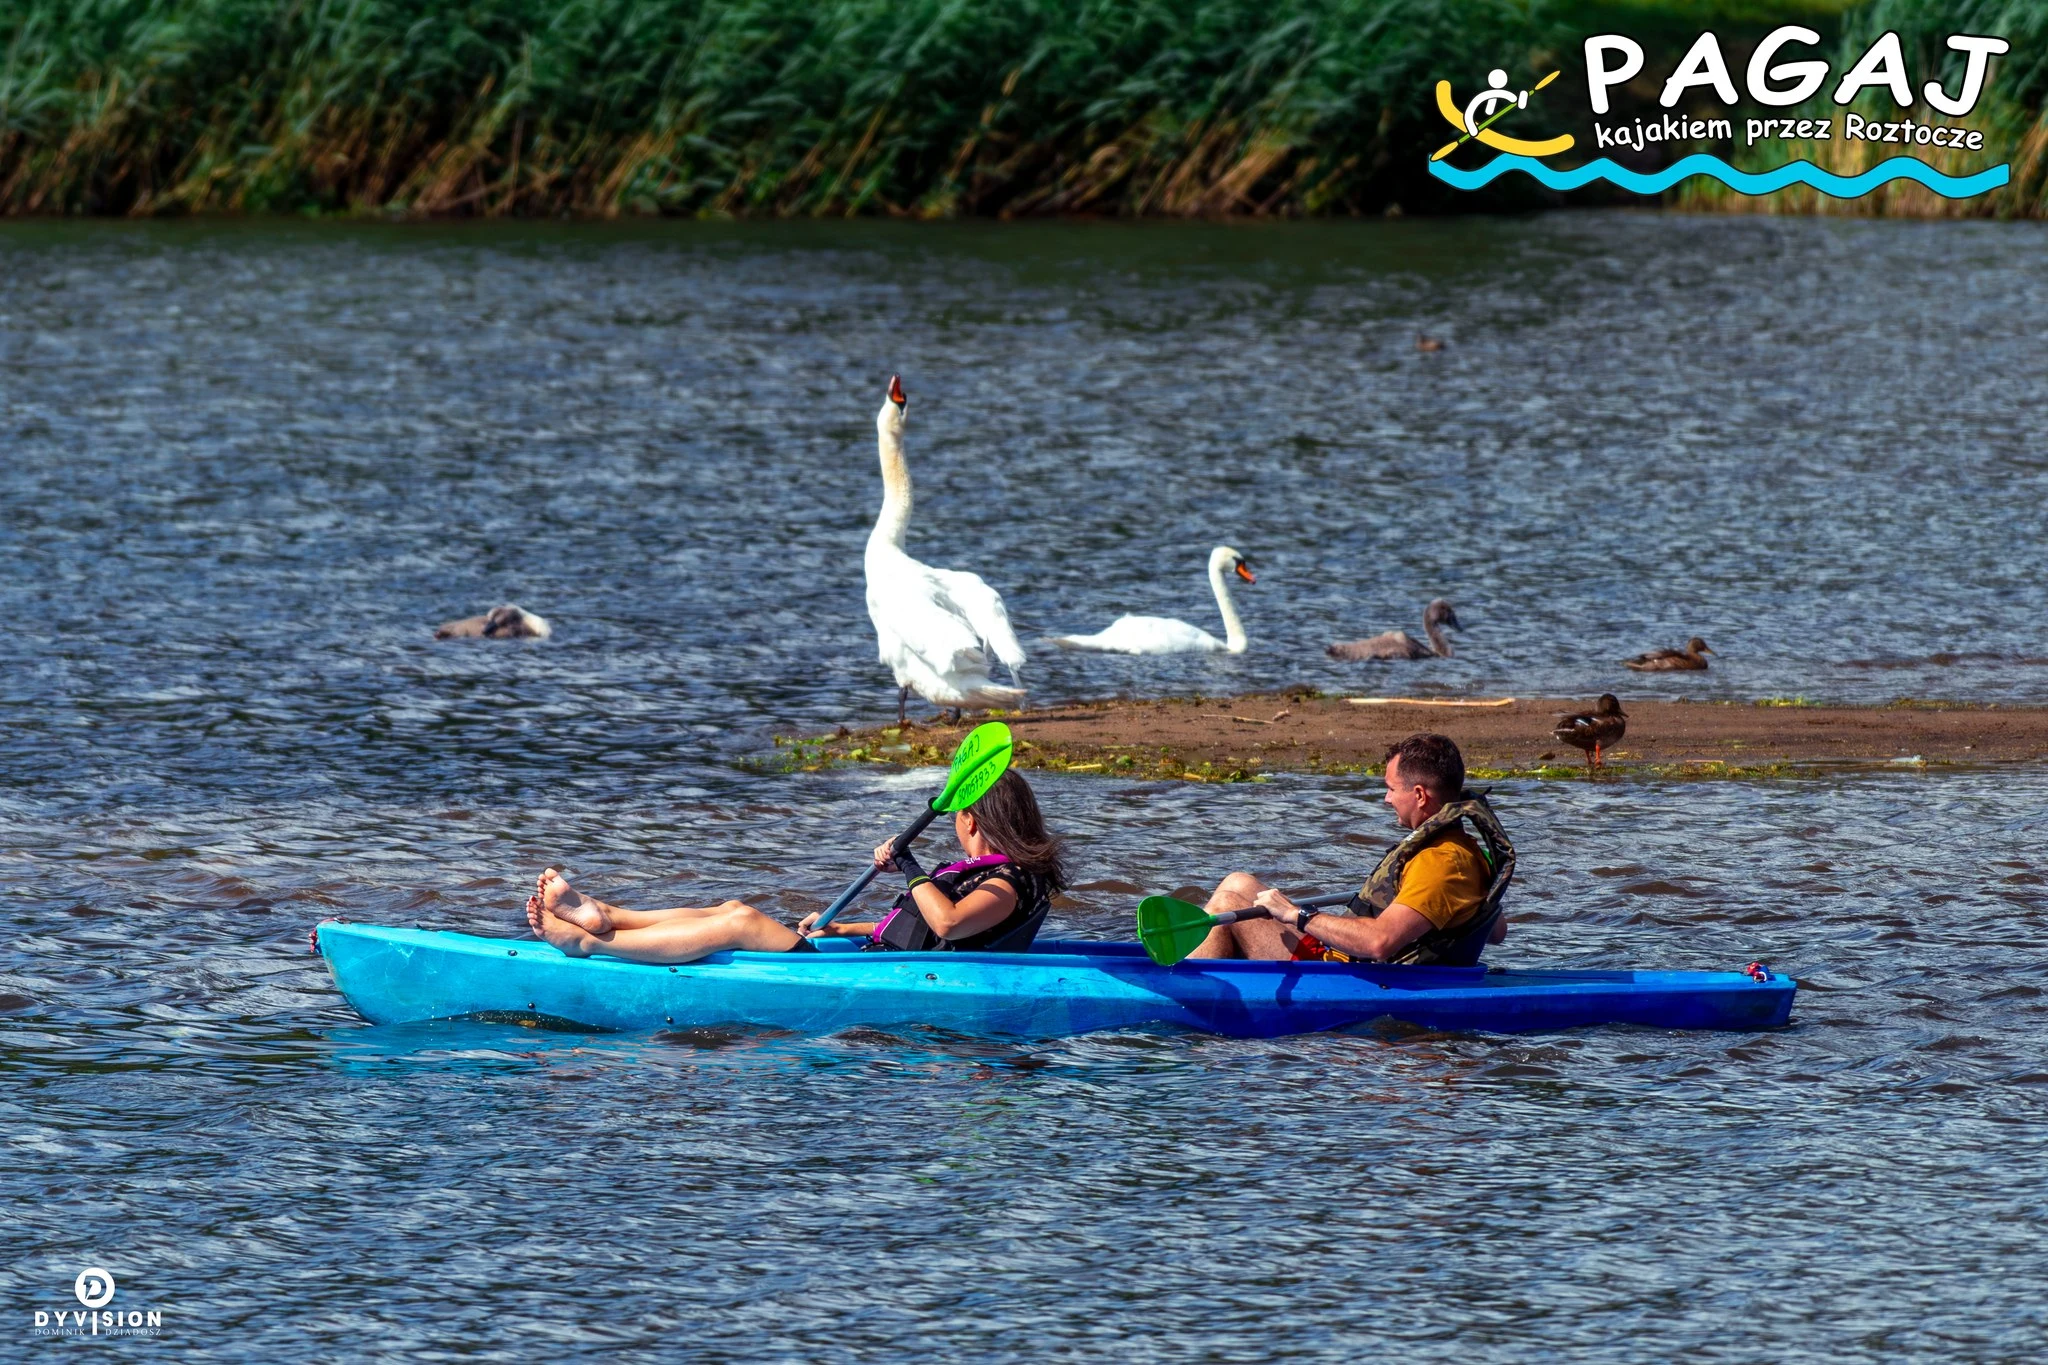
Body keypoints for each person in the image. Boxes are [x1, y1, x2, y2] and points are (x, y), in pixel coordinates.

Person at [526, 770, 1066, 963]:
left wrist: (909, 865)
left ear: (971, 819)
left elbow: (948, 925)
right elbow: (918, 929)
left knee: (742, 924)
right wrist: (842, 928)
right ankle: (609, 915)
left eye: (958, 819)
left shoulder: (1006, 882)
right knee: (733, 907)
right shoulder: (990, 875)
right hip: (870, 957)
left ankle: (591, 944)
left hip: (882, 976)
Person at [1187, 732, 1515, 965]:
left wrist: (1295, 915)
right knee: (1237, 882)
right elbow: (1496, 930)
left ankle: (1184, 994)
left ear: (1419, 795)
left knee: (1226, 906)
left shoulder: (1441, 861)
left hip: (1347, 973)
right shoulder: (1464, 846)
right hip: (1349, 960)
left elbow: (1378, 943)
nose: (1386, 799)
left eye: (1390, 789)